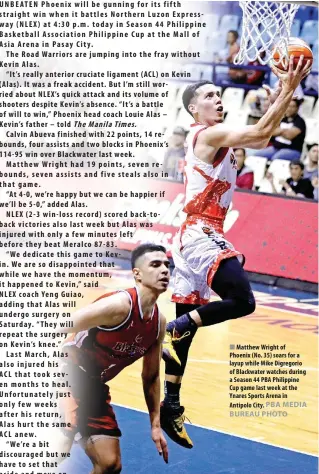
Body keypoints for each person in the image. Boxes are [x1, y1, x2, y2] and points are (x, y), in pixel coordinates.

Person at [160, 55, 311, 449]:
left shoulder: (217, 137)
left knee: (186, 337)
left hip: (192, 237)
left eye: (220, 94)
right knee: (242, 300)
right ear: (194, 108)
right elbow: (262, 134)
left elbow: (261, 137)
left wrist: (278, 95)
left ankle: (170, 405)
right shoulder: (204, 135)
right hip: (199, 233)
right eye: (211, 95)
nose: (219, 98)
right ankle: (173, 327)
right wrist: (289, 89)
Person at [54, 243, 170, 473]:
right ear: (137, 274)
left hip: (93, 386)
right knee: (58, 445)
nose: (165, 270)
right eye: (155, 265)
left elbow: (152, 376)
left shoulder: (158, 323)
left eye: (167, 265)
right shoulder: (118, 306)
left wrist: (155, 426)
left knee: (110, 464)